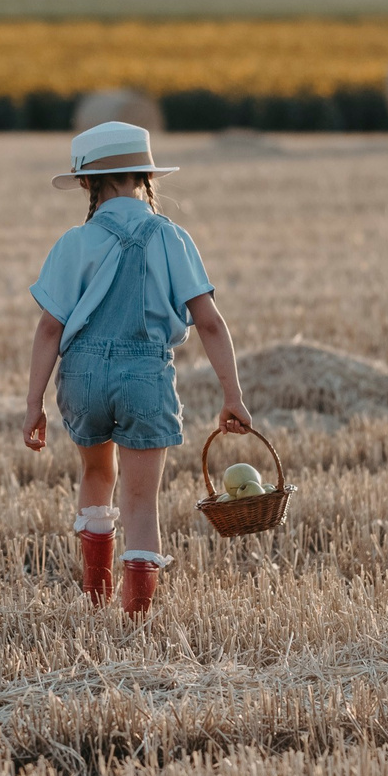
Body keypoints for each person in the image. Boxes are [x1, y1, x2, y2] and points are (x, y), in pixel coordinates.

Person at [23, 120, 254, 616]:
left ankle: (95, 596)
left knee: (95, 475)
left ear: (86, 183)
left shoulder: (72, 244)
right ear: (145, 177)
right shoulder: (171, 237)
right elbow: (210, 323)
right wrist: (232, 394)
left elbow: (48, 330)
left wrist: (33, 404)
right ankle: (136, 618)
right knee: (141, 501)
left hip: (82, 375)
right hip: (145, 375)